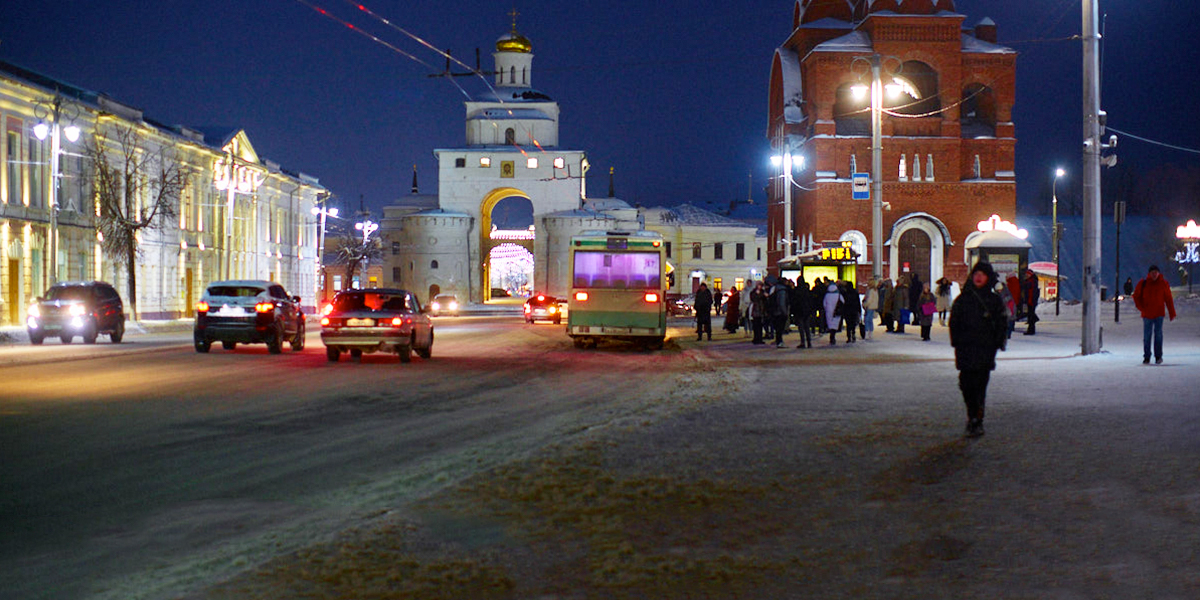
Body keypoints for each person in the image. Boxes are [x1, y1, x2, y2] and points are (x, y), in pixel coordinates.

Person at [949, 261, 1009, 437]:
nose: (978, 277)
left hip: (984, 350)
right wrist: (957, 342)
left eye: (982, 274)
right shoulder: (963, 299)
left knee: (980, 385)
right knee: (966, 385)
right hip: (966, 350)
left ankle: (976, 419)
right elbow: (954, 322)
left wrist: (997, 343)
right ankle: (973, 414)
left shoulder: (994, 300)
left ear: (988, 277)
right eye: (976, 273)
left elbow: (1001, 323)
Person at [1132, 265, 1176, 364]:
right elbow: (1136, 296)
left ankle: (1158, 356)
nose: (1154, 274)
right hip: (1147, 314)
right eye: (1153, 272)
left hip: (1159, 314)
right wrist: (1141, 307)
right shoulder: (1143, 283)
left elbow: (1168, 299)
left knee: (1158, 336)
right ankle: (1147, 356)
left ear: (1158, 273)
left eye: (1156, 272)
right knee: (1147, 336)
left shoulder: (1163, 284)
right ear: (1149, 273)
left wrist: (1172, 312)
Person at [791, 277, 814, 349]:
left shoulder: (796, 290)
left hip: (799, 311)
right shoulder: (807, 290)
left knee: (801, 327)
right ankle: (809, 342)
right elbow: (810, 301)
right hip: (806, 311)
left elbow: (794, 301)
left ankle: (803, 342)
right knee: (807, 327)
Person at [769, 276, 791, 348]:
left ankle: (778, 341)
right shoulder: (782, 290)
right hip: (780, 312)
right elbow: (782, 303)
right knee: (780, 328)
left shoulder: (775, 288)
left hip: (775, 311)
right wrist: (785, 312)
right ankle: (779, 342)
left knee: (777, 328)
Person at [822, 281, 843, 345]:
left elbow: (824, 304)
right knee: (835, 324)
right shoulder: (838, 294)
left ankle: (831, 336)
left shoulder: (827, 295)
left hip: (829, 311)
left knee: (830, 324)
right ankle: (833, 336)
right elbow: (843, 301)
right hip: (836, 311)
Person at [1020, 268, 1040, 335]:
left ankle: (1031, 330)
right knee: (1030, 315)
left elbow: (1031, 292)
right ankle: (1031, 329)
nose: (1026, 275)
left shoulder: (1031, 281)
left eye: (1027, 274)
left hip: (1031, 300)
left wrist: (1030, 300)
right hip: (1031, 300)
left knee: (1030, 315)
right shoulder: (1032, 281)